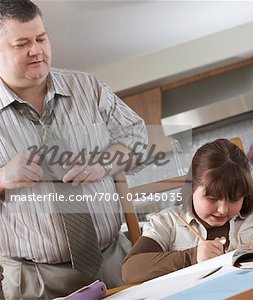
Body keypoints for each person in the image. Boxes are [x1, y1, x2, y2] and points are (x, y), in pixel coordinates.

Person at [0, 1, 148, 298]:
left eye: (41, 38)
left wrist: (103, 161)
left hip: (116, 262)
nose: (37, 50)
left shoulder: (88, 88)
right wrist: (2, 176)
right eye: (22, 43)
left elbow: (139, 139)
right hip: (36, 283)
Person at [122, 139, 253, 283]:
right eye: (213, 198)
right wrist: (192, 257)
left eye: (234, 198)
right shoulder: (168, 223)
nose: (223, 209)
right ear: (192, 186)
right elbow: (129, 270)